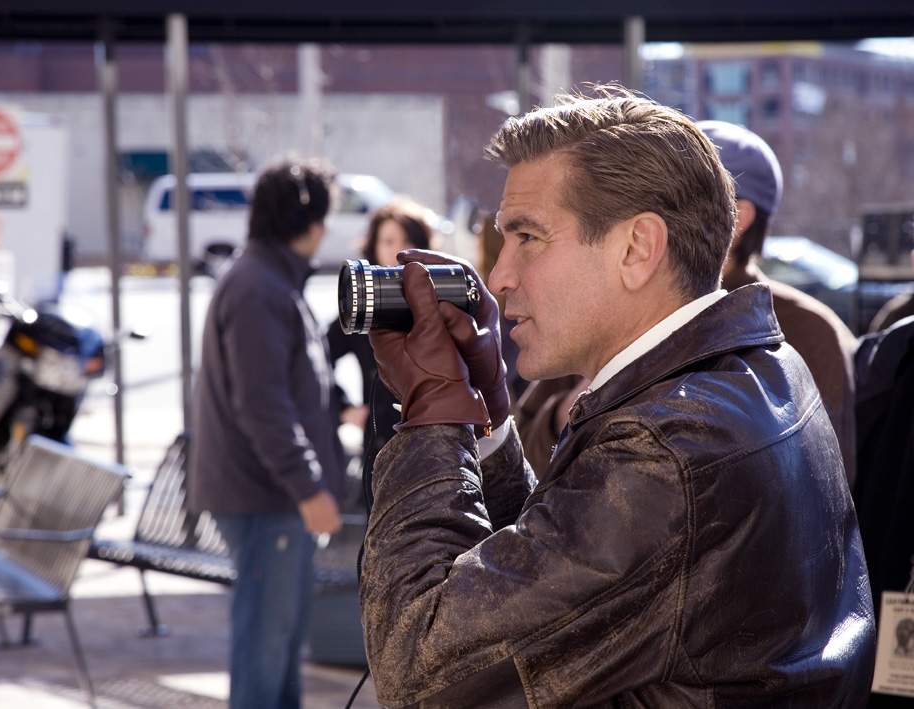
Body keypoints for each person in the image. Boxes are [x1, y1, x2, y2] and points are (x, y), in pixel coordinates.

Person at [358, 90, 874, 707]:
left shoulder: (668, 451)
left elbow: (418, 670)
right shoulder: (758, 368)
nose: (499, 276)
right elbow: (559, 578)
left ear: (637, 248)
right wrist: (487, 420)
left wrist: (434, 418)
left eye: (528, 236)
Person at [189, 160, 344, 709]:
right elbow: (263, 405)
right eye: (325, 217)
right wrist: (308, 487)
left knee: (277, 641)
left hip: (267, 495)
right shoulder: (259, 287)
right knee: (265, 646)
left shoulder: (265, 278)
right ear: (306, 222)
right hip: (266, 498)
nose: (328, 230)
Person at [696, 121, 859, 488]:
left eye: (678, 197)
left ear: (738, 218)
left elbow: (825, 487)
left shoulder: (806, 330)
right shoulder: (626, 310)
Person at [326, 199, 432, 473]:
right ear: (373, 246)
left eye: (407, 239)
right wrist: (344, 407)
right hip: (379, 448)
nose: (398, 249)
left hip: (434, 446)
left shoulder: (439, 299)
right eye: (388, 241)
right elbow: (314, 356)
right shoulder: (361, 307)